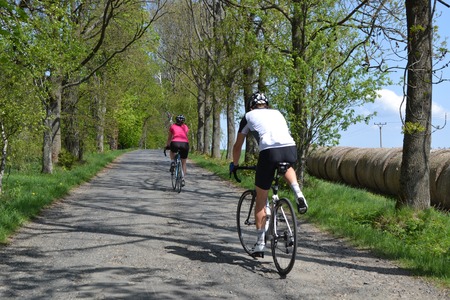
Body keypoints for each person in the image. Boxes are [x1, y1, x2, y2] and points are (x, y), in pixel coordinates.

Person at [229, 92, 308, 254]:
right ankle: (298, 192)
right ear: (267, 104)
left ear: (251, 105)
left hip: (269, 152)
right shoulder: (278, 113)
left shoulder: (248, 116)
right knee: (287, 167)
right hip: (290, 149)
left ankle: (260, 244)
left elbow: (238, 146)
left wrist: (234, 164)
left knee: (261, 199)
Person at [166, 114, 189, 186]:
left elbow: (169, 138)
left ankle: (172, 161)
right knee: (184, 163)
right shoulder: (185, 127)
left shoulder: (172, 126)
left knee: (172, 151)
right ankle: (182, 179)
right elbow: (186, 135)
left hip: (175, 142)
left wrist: (167, 145)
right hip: (185, 144)